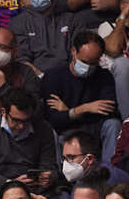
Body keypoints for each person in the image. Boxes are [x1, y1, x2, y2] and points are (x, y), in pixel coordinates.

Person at [0, 89, 57, 199]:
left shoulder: (43, 128)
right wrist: (13, 184)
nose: (21, 126)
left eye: (25, 121)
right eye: (15, 120)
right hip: (0, 184)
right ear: (4, 112)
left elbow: (49, 165)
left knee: (58, 198)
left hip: (34, 186)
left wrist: (48, 176)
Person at [42, 30, 121, 161]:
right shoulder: (53, 77)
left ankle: (110, 173)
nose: (88, 67)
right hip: (65, 135)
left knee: (113, 124)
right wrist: (83, 109)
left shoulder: (104, 76)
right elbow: (53, 119)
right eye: (84, 61)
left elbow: (108, 113)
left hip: (93, 133)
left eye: (94, 63)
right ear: (74, 51)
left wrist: (69, 112)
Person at [10, 0, 68, 72]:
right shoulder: (18, 23)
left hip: (66, 79)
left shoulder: (70, 21)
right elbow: (21, 60)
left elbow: (77, 55)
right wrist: (41, 77)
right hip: (33, 80)